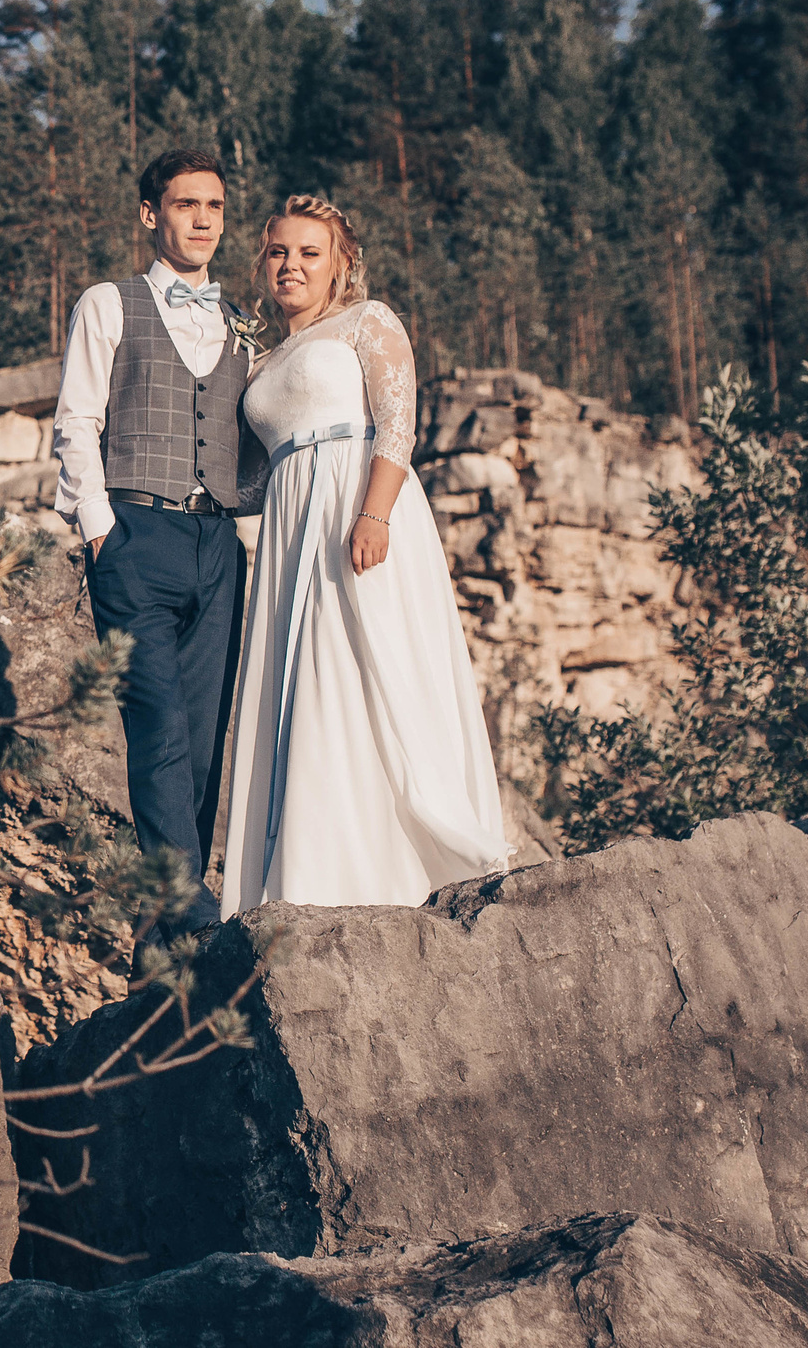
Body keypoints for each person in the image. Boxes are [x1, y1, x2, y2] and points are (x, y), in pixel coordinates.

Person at [217, 195, 511, 914]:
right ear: (263, 264)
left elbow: (397, 421)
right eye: (279, 252)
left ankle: (402, 863)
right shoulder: (261, 358)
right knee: (308, 684)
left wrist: (373, 513)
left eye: (309, 252)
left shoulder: (366, 321)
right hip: (291, 525)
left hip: (358, 501)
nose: (291, 265)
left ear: (340, 263)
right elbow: (252, 479)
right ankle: (315, 865)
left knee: (368, 665)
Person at [51, 147, 266, 936]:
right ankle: (186, 909)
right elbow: (76, 420)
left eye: (214, 206)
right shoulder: (108, 304)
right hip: (136, 535)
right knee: (159, 722)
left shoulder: (243, 322)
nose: (203, 219)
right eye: (186, 205)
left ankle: (165, 926)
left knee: (206, 740)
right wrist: (101, 529)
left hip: (219, 546)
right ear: (152, 214)